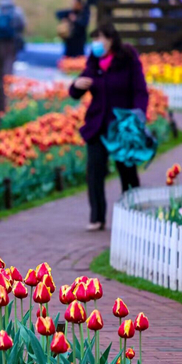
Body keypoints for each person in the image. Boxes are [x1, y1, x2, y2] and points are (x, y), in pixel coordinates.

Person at [68, 24, 149, 231]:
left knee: (127, 171)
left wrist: (138, 115)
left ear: (111, 39)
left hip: (122, 125)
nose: (96, 43)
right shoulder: (94, 62)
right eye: (94, 39)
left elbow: (140, 90)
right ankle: (97, 217)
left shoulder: (128, 59)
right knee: (95, 172)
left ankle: (133, 214)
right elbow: (77, 88)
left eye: (100, 38)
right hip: (97, 124)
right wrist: (76, 86)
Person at [0, 0, 26, 75]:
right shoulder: (16, 11)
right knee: (10, 59)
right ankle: (8, 78)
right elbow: (22, 24)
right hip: (12, 39)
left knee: (0, 58)